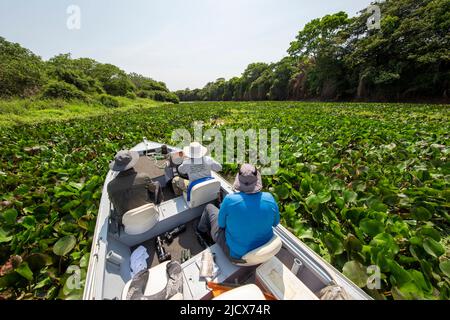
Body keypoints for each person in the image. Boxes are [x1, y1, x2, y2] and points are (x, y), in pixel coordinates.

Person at [197, 164, 280, 262]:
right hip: (264, 252)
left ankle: (201, 232)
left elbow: (221, 225)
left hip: (237, 256)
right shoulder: (269, 198)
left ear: (239, 181)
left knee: (209, 208)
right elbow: (275, 223)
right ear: (257, 181)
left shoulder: (229, 200)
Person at [107, 150, 162, 228]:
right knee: (156, 184)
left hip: (128, 223)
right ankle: (158, 204)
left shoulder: (110, 186)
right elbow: (153, 189)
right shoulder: (143, 177)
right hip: (148, 214)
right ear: (132, 163)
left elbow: (113, 201)